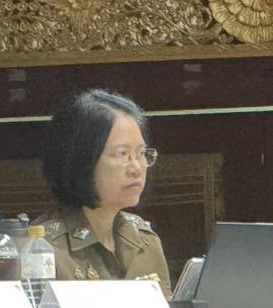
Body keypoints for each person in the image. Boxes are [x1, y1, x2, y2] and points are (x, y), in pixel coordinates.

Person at [33, 88, 172, 296]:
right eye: (121, 153)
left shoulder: (146, 240)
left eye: (141, 153)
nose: (136, 168)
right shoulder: (43, 249)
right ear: (81, 160)